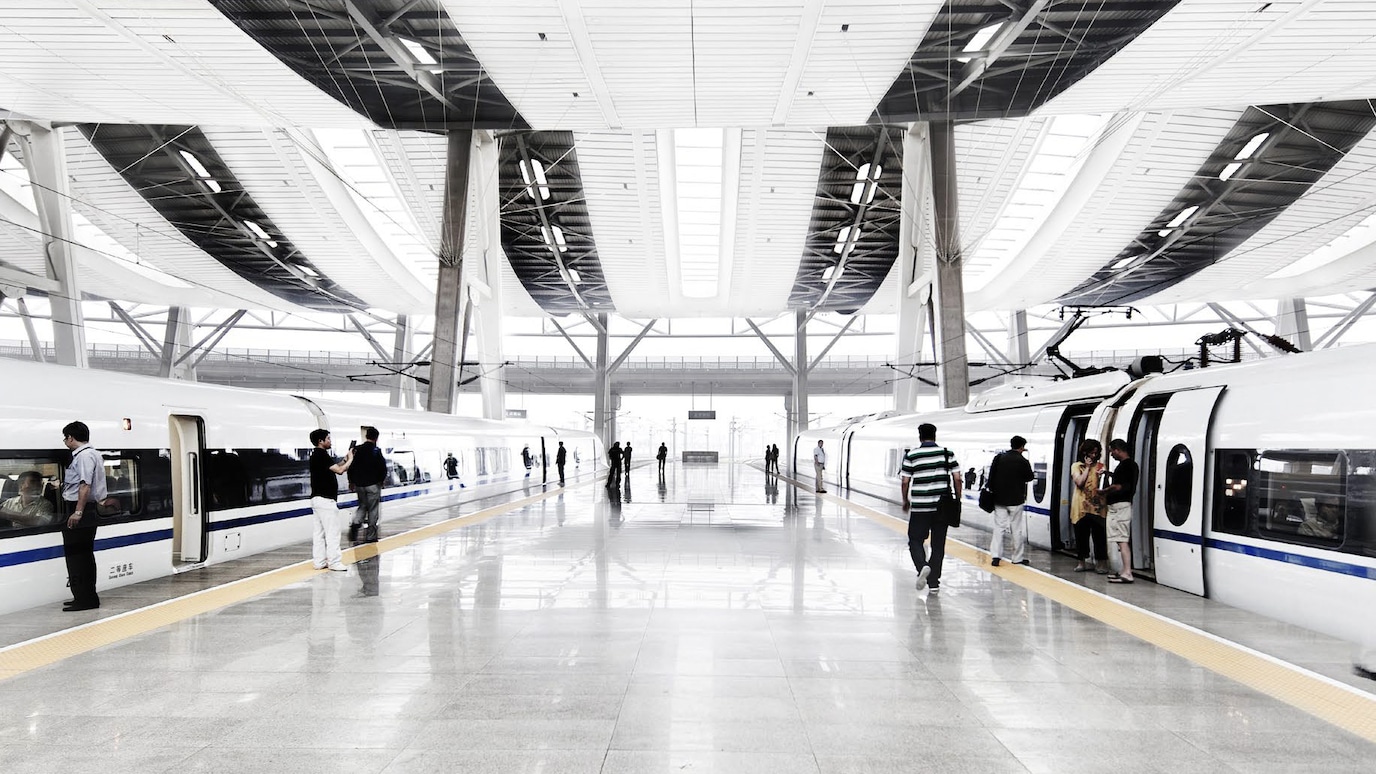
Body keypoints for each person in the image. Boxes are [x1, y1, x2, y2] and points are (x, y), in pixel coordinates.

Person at [900, 423, 961, 593]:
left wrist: (905, 501)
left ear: (919, 436)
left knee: (915, 540)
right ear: (935, 435)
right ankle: (934, 582)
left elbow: (905, 482)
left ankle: (922, 567)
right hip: (942, 507)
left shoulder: (912, 455)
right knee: (938, 545)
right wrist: (958, 498)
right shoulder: (947, 454)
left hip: (920, 507)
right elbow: (957, 478)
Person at [60, 421, 107, 611]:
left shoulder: (85, 456)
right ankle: (82, 595)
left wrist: (77, 512)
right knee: (81, 556)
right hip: (86, 508)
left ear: (71, 438)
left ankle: (86, 599)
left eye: (65, 438)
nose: (65, 441)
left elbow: (84, 485)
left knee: (78, 557)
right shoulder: (92, 454)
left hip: (81, 509)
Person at [309, 428, 353, 572]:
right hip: (326, 500)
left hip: (316, 499)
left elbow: (335, 466)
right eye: (328, 438)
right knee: (332, 533)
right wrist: (351, 460)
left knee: (319, 533)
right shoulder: (322, 455)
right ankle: (334, 562)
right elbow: (340, 471)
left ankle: (319, 561)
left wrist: (345, 459)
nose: (330, 441)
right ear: (320, 441)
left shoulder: (315, 455)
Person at [987, 435, 1035, 567]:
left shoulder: (999, 458)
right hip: (1016, 500)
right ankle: (1017, 558)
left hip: (999, 499)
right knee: (1016, 529)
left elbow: (990, 477)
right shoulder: (1023, 461)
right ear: (1021, 447)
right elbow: (1030, 477)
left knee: (999, 528)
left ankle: (996, 556)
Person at [1070, 439, 1109, 574]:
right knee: (1081, 535)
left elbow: (1104, 485)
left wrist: (1102, 475)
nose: (1093, 456)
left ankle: (1101, 563)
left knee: (1100, 536)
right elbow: (1079, 482)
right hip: (1080, 507)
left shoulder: (1100, 466)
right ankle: (1082, 562)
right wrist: (1087, 467)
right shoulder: (1076, 466)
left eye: (1096, 453)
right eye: (1091, 453)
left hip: (1098, 507)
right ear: (1085, 453)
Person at [1105, 439, 1138, 584]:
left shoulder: (1127, 465)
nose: (1111, 454)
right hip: (1119, 508)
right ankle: (1123, 571)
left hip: (1121, 508)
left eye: (1112, 451)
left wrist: (1105, 490)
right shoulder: (1128, 466)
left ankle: (1127, 572)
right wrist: (1108, 474)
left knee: (1123, 540)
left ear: (1118, 449)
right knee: (1120, 539)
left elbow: (1121, 486)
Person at [347, 427, 386, 543]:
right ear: (376, 438)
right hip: (373, 485)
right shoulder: (376, 451)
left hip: (359, 485)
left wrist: (351, 481)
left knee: (362, 506)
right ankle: (371, 536)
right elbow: (382, 468)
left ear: (366, 436)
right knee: (373, 509)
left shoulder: (357, 450)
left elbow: (351, 466)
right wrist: (381, 480)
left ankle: (356, 523)